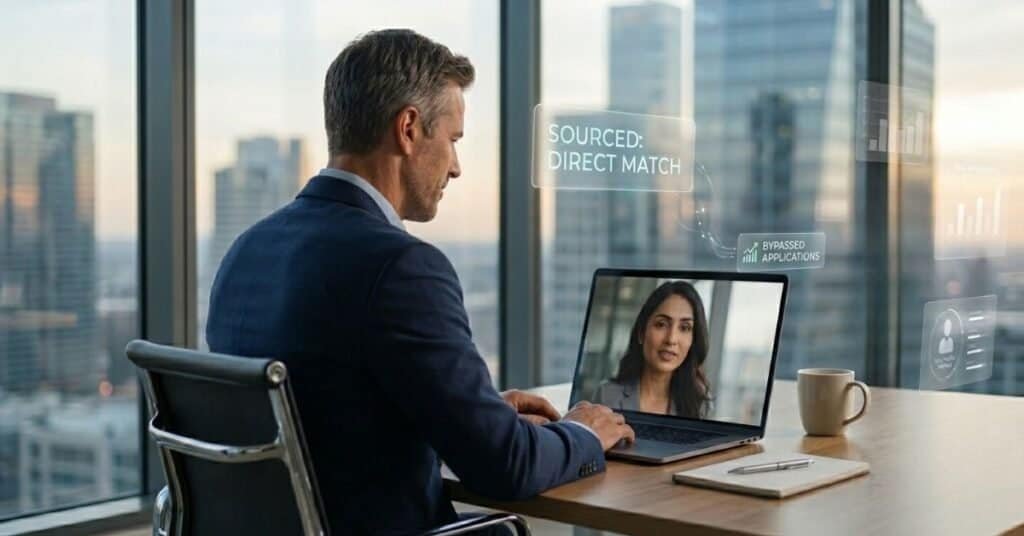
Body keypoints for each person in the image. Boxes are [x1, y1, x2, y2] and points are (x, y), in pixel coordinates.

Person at [205, 29, 634, 535]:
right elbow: (506, 467)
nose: (457, 167)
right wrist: (583, 432)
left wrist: (472, 416)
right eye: (453, 140)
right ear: (408, 128)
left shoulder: (245, 251)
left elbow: (328, 417)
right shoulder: (401, 267)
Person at [592, 281, 712, 418]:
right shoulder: (607, 395)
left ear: (693, 341)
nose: (671, 339)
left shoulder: (700, 405)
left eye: (684, 328)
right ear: (641, 333)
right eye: (661, 324)